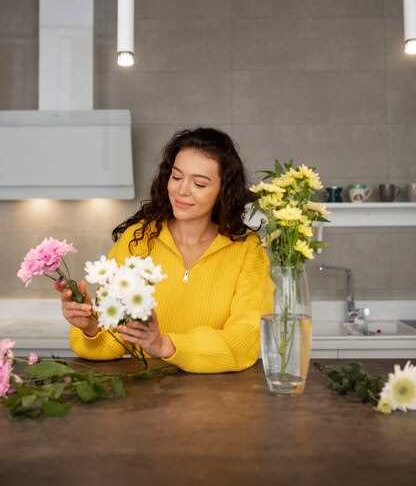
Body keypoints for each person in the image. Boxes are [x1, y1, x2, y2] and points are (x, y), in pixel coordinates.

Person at [56, 127, 274, 374]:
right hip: (146, 397)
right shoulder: (138, 239)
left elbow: (245, 341)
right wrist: (90, 328)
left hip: (220, 399)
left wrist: (164, 345)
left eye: (199, 183)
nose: (181, 190)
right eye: (177, 177)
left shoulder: (247, 250)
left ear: (223, 191)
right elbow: (114, 340)